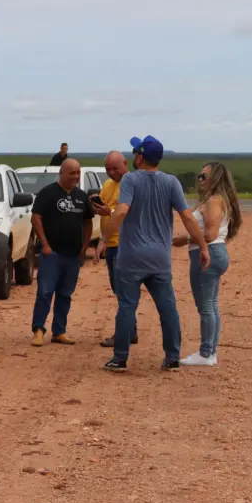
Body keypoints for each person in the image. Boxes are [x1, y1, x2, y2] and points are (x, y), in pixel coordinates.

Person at [98, 136, 209, 372]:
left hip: (131, 257)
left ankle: (120, 358)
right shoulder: (171, 182)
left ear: (139, 157)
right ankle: (172, 357)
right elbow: (187, 216)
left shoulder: (130, 180)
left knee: (127, 306)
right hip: (159, 258)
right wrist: (203, 246)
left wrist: (104, 239)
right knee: (167, 307)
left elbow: (121, 212)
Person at [172, 161, 242, 366]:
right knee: (210, 304)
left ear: (216, 178)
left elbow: (210, 234)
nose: (199, 179)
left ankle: (205, 353)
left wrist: (185, 239)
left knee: (205, 306)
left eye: (204, 176)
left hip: (207, 254)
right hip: (214, 253)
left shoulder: (213, 201)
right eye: (199, 175)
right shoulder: (218, 200)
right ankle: (210, 352)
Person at [29, 158, 93, 346]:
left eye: (78, 173)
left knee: (65, 294)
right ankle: (38, 330)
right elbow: (35, 218)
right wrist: (45, 245)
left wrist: (84, 248)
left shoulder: (82, 197)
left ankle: (59, 331)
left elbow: (88, 223)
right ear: (62, 173)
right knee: (45, 292)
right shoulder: (47, 193)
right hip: (52, 254)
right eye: (72, 173)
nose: (76, 176)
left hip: (73, 255)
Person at [95, 150, 138, 348]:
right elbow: (105, 207)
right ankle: (131, 331)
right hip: (111, 245)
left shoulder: (132, 183)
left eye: (115, 168)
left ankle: (123, 334)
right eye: (108, 169)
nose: (111, 172)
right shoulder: (108, 184)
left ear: (125, 164)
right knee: (119, 291)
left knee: (124, 292)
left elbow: (131, 214)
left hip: (124, 244)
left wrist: (110, 211)